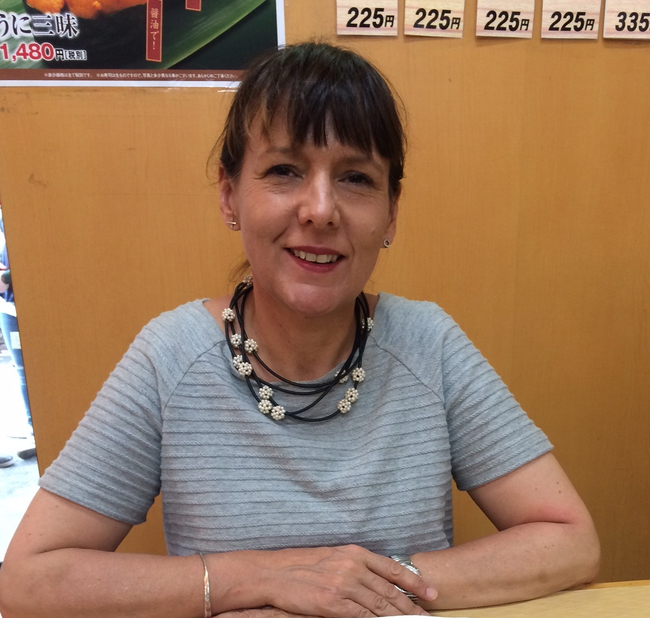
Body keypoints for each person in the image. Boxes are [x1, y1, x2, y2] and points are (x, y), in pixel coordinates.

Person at [0, 42, 599, 618]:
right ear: (229, 195)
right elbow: (27, 581)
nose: (320, 210)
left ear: (391, 212)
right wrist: (262, 578)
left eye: (356, 178)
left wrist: (361, 585)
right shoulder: (170, 356)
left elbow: (570, 541)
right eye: (284, 170)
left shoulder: (428, 343)